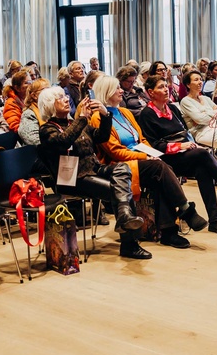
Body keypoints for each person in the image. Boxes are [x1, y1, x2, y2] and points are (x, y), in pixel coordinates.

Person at [88, 76, 210, 249]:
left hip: (141, 158)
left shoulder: (125, 112)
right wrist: (145, 157)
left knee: (160, 172)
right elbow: (114, 152)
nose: (122, 90)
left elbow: (142, 139)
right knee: (160, 168)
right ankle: (184, 211)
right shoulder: (97, 118)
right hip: (121, 164)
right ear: (107, 92)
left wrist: (152, 153)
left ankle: (170, 230)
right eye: (117, 88)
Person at [37, 86, 151, 259]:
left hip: (94, 170)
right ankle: (129, 243)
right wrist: (82, 118)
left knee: (123, 168)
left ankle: (124, 217)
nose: (67, 99)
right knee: (120, 190)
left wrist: (105, 115)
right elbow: (64, 140)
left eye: (66, 96)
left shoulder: (74, 124)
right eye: (61, 97)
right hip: (73, 179)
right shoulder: (47, 130)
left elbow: (102, 136)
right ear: (49, 104)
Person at [138, 75, 217, 236]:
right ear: (150, 92)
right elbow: (154, 145)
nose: (166, 89)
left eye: (166, 86)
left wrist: (191, 143)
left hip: (184, 153)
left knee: (203, 167)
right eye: (161, 87)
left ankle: (215, 221)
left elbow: (185, 132)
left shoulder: (172, 109)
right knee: (203, 154)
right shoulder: (147, 114)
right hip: (165, 159)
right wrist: (181, 146)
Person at [17, 78, 50, 146]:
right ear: (34, 95)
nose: (49, 93)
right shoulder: (29, 114)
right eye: (45, 90)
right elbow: (34, 141)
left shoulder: (54, 110)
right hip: (38, 154)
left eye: (50, 89)